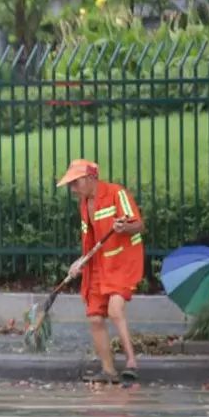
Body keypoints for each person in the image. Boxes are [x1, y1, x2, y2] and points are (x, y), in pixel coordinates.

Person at [56, 159, 145, 384]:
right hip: (98, 266)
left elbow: (139, 225)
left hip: (123, 262)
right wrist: (80, 262)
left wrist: (124, 227)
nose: (73, 189)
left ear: (91, 178)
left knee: (115, 310)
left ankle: (132, 362)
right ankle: (108, 371)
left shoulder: (117, 193)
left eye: (75, 183)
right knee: (95, 317)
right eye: (71, 185)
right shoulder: (84, 204)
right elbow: (91, 241)